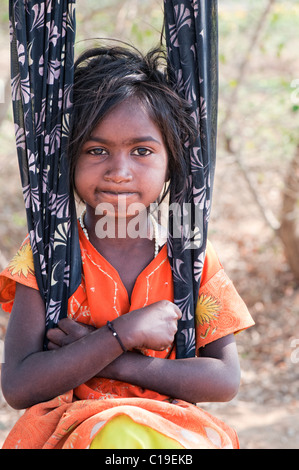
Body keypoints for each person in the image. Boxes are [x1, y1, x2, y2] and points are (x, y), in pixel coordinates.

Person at [0, 46, 254, 449]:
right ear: (68, 159)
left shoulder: (188, 253)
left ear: (172, 161)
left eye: (142, 151)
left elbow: (224, 380)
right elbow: (18, 386)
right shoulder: (48, 254)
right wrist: (122, 333)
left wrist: (111, 354)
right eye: (96, 150)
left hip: (173, 427)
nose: (119, 172)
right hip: (73, 429)